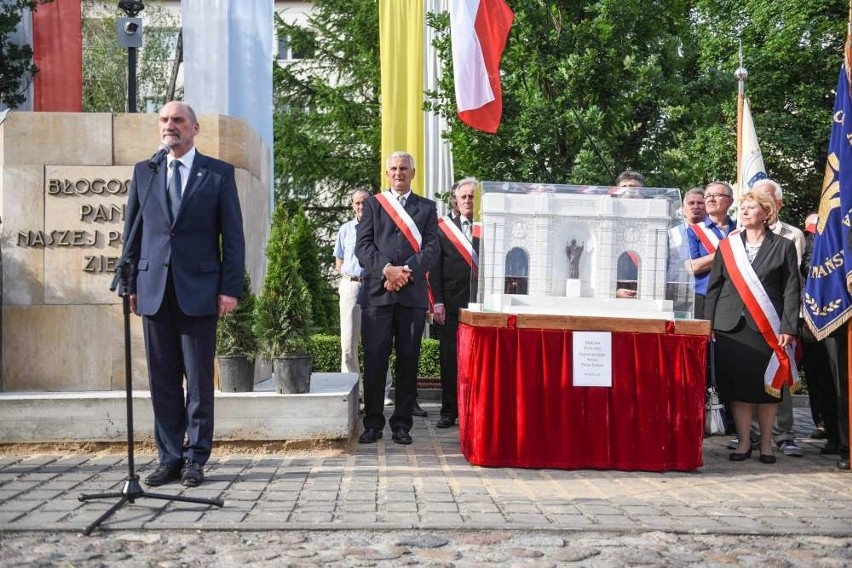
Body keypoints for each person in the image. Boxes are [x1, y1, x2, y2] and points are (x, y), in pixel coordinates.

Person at [123, 101, 245, 487]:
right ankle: (169, 457)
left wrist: (229, 288)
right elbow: (133, 234)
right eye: (163, 120)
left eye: (177, 120)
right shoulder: (146, 170)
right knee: (162, 380)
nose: (169, 126)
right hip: (153, 290)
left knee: (197, 379)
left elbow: (234, 237)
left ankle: (196, 458)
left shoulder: (218, 174)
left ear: (195, 128)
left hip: (200, 290)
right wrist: (130, 285)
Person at [705, 191, 800, 464]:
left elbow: (792, 289)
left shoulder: (783, 246)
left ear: (767, 213)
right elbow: (714, 287)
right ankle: (745, 442)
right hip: (730, 327)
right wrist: (708, 323)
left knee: (766, 389)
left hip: (767, 329)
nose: (744, 212)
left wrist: (788, 327)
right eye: (743, 208)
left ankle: (767, 444)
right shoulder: (728, 245)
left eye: (751, 208)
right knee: (738, 388)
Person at [355, 151, 439, 445]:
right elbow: (362, 248)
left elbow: (432, 250)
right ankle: (373, 423)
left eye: (404, 168)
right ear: (387, 173)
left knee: (408, 361)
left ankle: (401, 424)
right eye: (394, 168)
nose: (399, 173)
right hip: (378, 296)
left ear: (412, 173)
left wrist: (405, 272)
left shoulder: (427, 208)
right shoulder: (375, 205)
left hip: (411, 296)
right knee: (376, 361)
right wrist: (387, 270)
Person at [747, 178, 805, 457]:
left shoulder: (790, 236)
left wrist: (788, 324)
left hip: (774, 317)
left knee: (777, 375)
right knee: (749, 379)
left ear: (773, 205)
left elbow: (791, 284)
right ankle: (754, 435)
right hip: (746, 319)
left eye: (762, 199)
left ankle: (783, 434)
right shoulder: (739, 238)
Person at [334, 189, 392, 406]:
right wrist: (345, 274)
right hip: (351, 286)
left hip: (374, 286)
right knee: (348, 344)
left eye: (364, 202)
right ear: (352, 206)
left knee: (379, 341)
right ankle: (354, 392)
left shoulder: (380, 228)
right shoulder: (345, 230)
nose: (360, 206)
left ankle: (382, 392)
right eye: (357, 203)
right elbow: (338, 258)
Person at [431, 177, 479, 428]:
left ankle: (474, 409)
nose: (468, 200)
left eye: (472, 196)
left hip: (482, 304)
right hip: (451, 303)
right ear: (456, 201)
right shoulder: (442, 228)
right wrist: (436, 302)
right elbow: (434, 269)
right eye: (464, 197)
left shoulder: (488, 225)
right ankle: (449, 410)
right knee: (449, 358)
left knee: (478, 359)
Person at [799, 212, 839, 455]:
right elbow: (808, 264)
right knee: (824, 379)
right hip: (825, 313)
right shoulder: (822, 233)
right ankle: (836, 437)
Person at [686, 181, 737, 318]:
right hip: (703, 297)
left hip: (735, 299)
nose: (711, 199)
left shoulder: (740, 229)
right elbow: (692, 267)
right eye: (708, 196)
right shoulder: (694, 231)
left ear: (730, 201)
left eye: (717, 195)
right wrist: (728, 251)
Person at [615, 171, 645, 298]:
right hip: (613, 296)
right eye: (624, 187)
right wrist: (614, 291)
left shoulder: (652, 220)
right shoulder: (609, 220)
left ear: (642, 193)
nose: (628, 191)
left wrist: (645, 291)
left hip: (645, 295)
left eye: (633, 187)